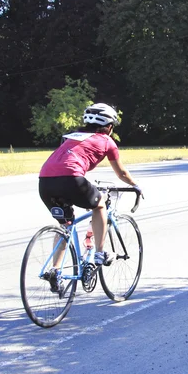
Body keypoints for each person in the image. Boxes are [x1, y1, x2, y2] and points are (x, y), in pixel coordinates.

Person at [39, 103, 140, 268]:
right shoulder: (107, 141)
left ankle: (55, 271)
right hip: (71, 179)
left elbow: (65, 162)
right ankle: (100, 253)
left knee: (65, 226)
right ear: (108, 127)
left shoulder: (70, 136)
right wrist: (136, 186)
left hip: (44, 181)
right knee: (100, 205)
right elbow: (121, 173)